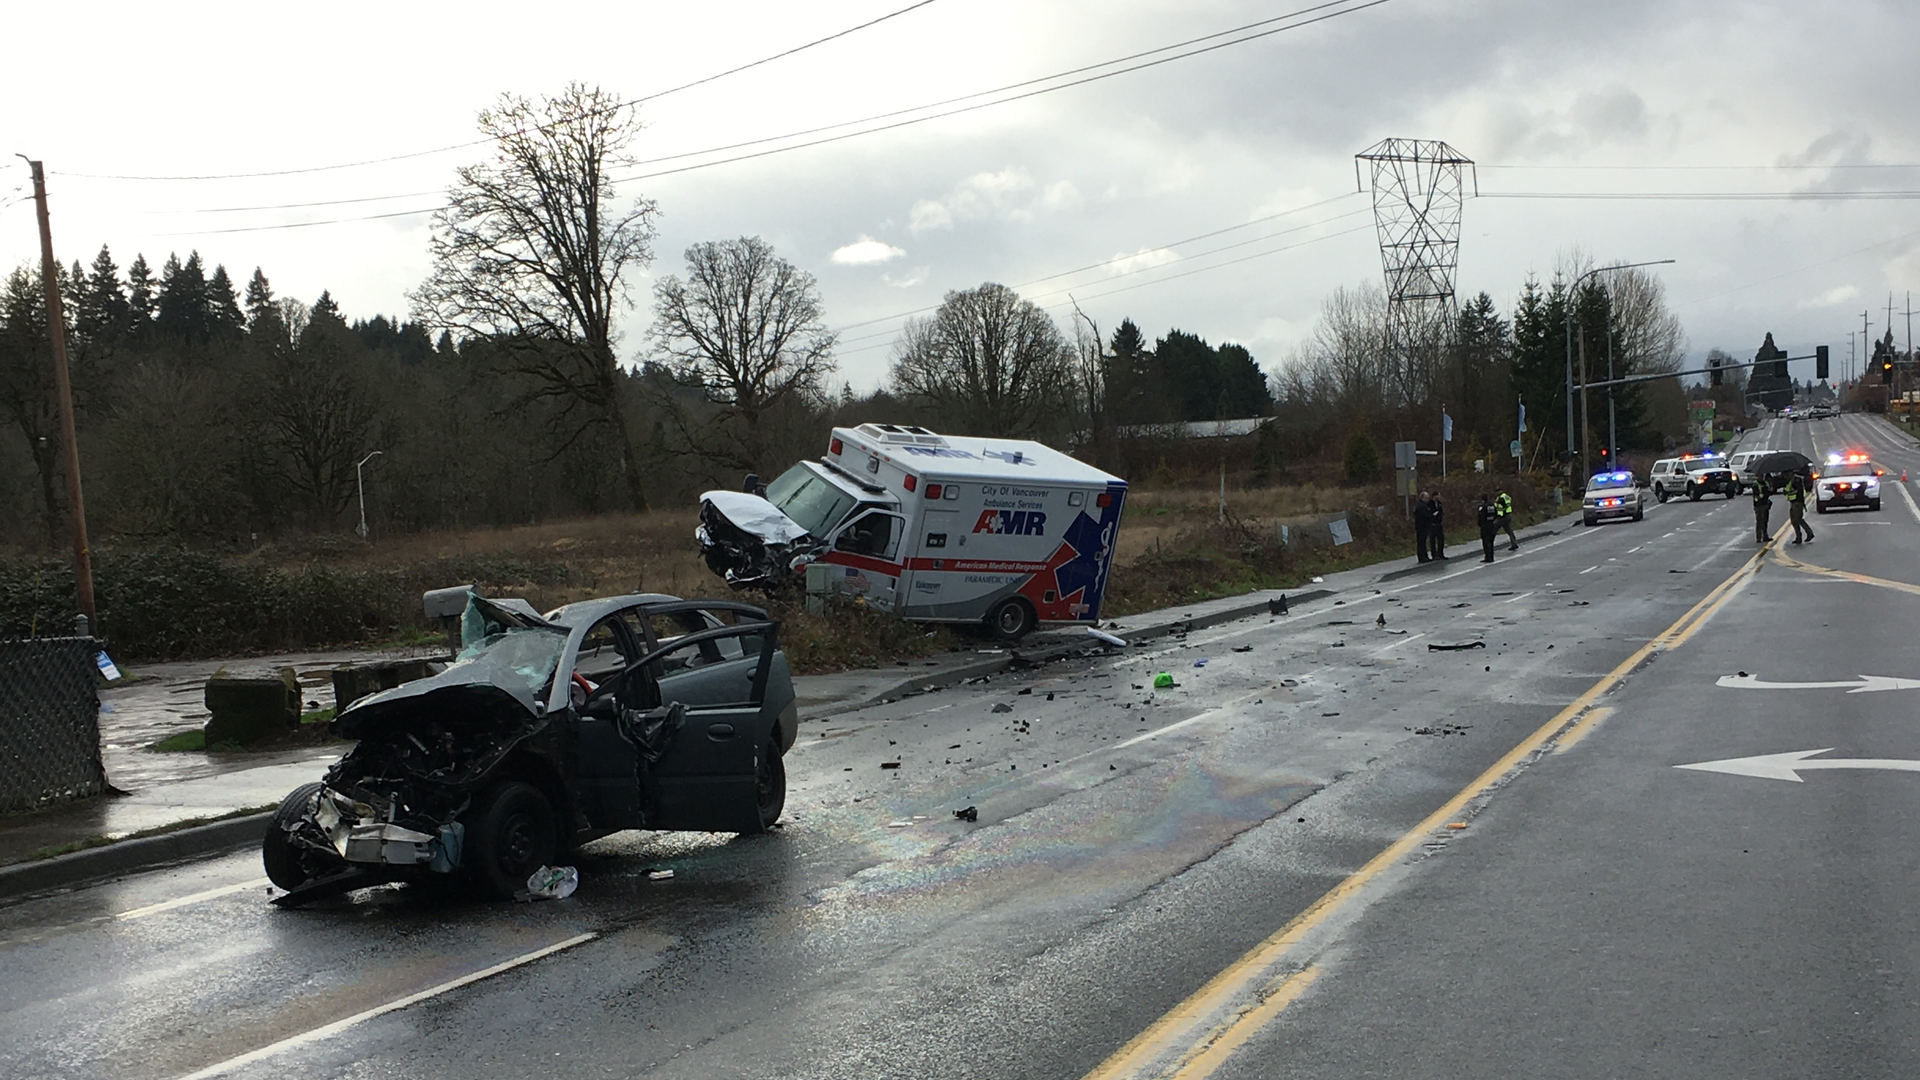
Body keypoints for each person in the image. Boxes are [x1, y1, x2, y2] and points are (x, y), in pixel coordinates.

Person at [1785, 468, 1815, 544]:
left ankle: (1809, 533)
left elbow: (1798, 491)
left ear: (1791, 473)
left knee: (1798, 519)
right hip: (1792, 502)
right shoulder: (1790, 481)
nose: (1786, 476)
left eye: (1787, 474)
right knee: (1793, 521)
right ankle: (1798, 537)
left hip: (1797, 502)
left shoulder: (1796, 480)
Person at [1477, 493, 1500, 563]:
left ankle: (1488, 557)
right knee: (1491, 541)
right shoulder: (1492, 505)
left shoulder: (1483, 507)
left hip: (1485, 526)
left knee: (1485, 542)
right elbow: (1496, 514)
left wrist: (1480, 524)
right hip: (1492, 525)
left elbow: (1480, 516)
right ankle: (1491, 556)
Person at [1751, 472, 1772, 543]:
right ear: (1757, 476)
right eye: (1760, 475)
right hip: (1759, 505)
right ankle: (1758, 537)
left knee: (1765, 521)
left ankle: (1765, 536)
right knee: (1759, 521)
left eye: (1762, 475)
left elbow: (1769, 492)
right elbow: (1756, 495)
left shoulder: (1766, 483)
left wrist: (1770, 490)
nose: (1761, 477)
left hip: (1765, 504)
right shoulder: (1755, 484)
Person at [1412, 490, 1434, 563]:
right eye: (1426, 498)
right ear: (1422, 498)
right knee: (1421, 542)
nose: (1428, 499)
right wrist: (1431, 516)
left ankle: (1424, 556)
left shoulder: (1422, 505)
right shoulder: (1421, 506)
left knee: (1423, 542)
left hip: (1423, 526)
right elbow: (1424, 516)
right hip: (1421, 527)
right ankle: (1422, 557)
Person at [1427, 491, 1448, 560]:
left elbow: (1441, 511)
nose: (1439, 497)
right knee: (1433, 540)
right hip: (1432, 524)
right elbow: (1428, 513)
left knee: (1441, 539)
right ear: (1434, 496)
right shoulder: (1429, 503)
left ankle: (1440, 553)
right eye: (1438, 496)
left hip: (1439, 523)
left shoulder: (1439, 503)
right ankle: (1434, 554)